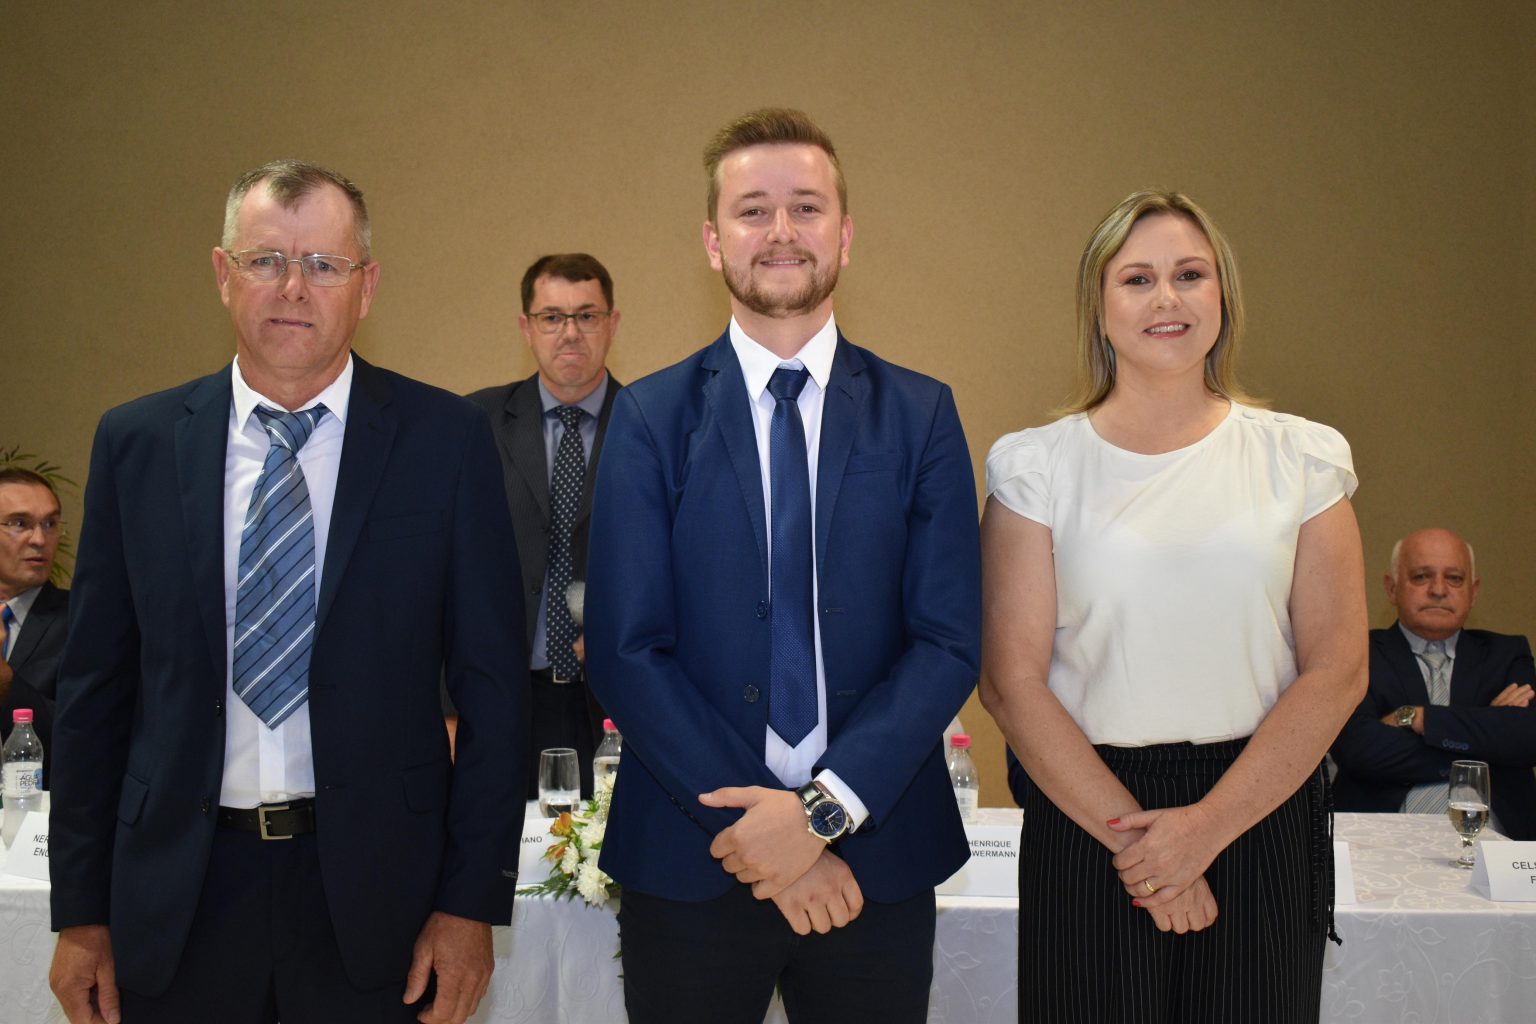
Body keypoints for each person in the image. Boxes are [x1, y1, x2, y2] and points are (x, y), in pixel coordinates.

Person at [46, 160, 527, 1024]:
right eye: (266, 260)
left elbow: (493, 691)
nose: (293, 288)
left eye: (324, 264)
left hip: (380, 904)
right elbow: (93, 695)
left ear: (366, 286)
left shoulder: (446, 441)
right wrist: (80, 912)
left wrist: (470, 905)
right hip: (177, 899)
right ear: (223, 274)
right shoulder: (136, 444)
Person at [584, 108, 981, 1023]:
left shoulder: (920, 414)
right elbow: (626, 651)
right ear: (712, 241)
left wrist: (820, 814)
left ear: (845, 233)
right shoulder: (648, 418)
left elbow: (948, 640)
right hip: (690, 861)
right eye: (752, 210)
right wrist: (766, 835)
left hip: (874, 861)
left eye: (806, 207)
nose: (781, 231)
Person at [980, 189, 1367, 1022]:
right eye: (1137, 279)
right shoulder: (1035, 469)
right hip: (1092, 818)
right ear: (1098, 305)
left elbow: (1338, 669)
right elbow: (1011, 683)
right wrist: (1145, 848)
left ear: (1223, 296)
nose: (1167, 298)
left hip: (1260, 808)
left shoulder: (1301, 458)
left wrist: (1205, 830)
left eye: (1190, 275)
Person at [466, 253, 621, 799]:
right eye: (552, 317)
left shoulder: (651, 424)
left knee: (610, 847)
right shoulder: (475, 424)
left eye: (587, 315)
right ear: (526, 327)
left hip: (617, 703)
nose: (570, 332)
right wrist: (445, 706)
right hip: (502, 698)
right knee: (505, 846)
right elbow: (444, 572)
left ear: (612, 324)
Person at [1332, 528, 1536, 837]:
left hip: (1499, 844)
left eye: (1454, 578)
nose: (1438, 590)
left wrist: (1419, 717)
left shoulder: (1506, 653)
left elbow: (1526, 738)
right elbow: (1358, 749)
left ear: (1474, 591)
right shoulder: (1360, 652)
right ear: (1391, 588)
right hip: (1379, 839)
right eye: (1421, 577)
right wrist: (1488, 733)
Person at [0, 467, 69, 772]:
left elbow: (83, 738)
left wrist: (5, 681)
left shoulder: (84, 620)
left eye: (50, 524)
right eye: (20, 523)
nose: (40, 539)